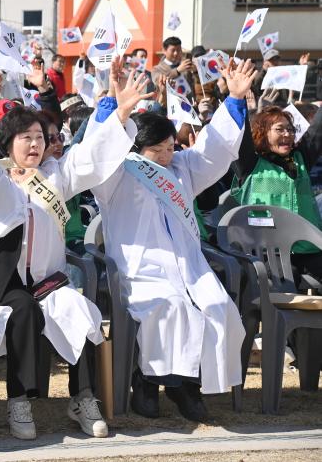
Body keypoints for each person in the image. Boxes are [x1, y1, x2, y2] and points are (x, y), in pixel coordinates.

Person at [0, 57, 147, 440]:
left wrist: (119, 116)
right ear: (8, 143)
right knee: (24, 310)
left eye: (39, 137)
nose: (34, 144)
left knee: (79, 308)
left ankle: (82, 397)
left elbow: (92, 158)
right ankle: (19, 400)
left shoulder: (57, 175)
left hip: (46, 279)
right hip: (2, 284)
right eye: (25, 137)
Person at [91, 59, 255, 422]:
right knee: (166, 308)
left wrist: (234, 101)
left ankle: (187, 386)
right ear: (137, 147)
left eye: (169, 147)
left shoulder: (181, 168)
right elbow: (96, 155)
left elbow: (213, 151)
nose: (167, 156)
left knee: (217, 307)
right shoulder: (117, 175)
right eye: (158, 150)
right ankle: (147, 381)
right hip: (141, 268)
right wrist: (111, 109)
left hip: (188, 266)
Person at [231, 101, 322, 284]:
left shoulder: (300, 157)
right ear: (263, 133)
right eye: (280, 129)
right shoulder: (249, 163)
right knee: (285, 287)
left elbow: (318, 129)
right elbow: (236, 129)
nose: (287, 134)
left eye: (290, 129)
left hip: (308, 248)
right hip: (267, 252)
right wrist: (236, 97)